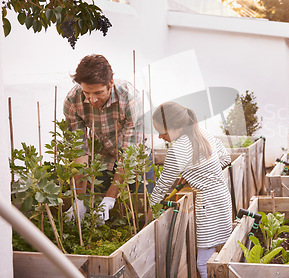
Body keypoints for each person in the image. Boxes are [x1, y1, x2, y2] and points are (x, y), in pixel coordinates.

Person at [63, 54, 151, 223]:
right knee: (101, 217)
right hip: (102, 156)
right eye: (87, 92)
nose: (92, 99)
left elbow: (128, 155)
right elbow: (79, 150)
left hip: (134, 159)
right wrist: (79, 199)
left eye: (98, 92)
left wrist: (110, 198)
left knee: (140, 212)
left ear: (110, 84)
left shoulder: (129, 98)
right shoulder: (73, 101)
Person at [149, 102, 232, 278]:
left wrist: (150, 210)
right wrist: (198, 172)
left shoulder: (177, 150)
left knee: (203, 262)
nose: (159, 136)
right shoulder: (203, 134)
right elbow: (225, 158)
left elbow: (163, 185)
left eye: (162, 132)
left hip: (207, 206)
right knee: (224, 253)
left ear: (176, 128)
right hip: (223, 198)